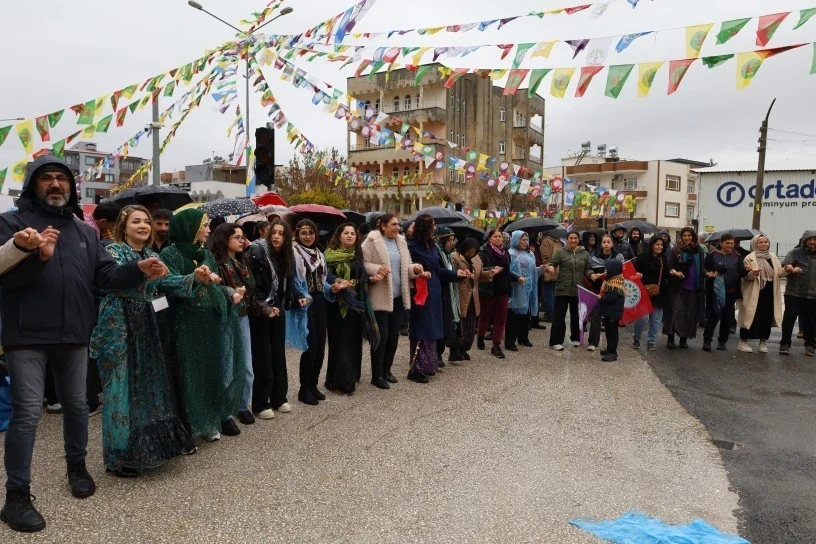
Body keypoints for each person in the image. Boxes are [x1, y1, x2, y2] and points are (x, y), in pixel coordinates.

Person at [0, 156, 166, 533]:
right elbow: (4, 276)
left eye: (62, 178)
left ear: (72, 187)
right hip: (26, 335)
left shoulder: (85, 232)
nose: (55, 184)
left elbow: (105, 275)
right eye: (46, 178)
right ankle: (16, 497)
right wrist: (30, 253)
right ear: (32, 185)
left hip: (74, 333)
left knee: (77, 405)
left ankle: (76, 468)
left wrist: (136, 269)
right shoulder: (11, 224)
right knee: (27, 412)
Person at [90, 205, 208, 478]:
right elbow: (111, 281)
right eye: (136, 222)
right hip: (119, 325)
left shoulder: (153, 254)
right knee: (121, 389)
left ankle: (147, 449)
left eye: (147, 222)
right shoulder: (113, 251)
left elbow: (169, 283)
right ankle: (118, 458)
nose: (143, 226)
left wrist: (194, 278)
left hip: (147, 326)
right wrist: (140, 270)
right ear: (124, 225)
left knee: (148, 387)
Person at [160, 209, 245, 440]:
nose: (208, 229)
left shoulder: (205, 254)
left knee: (211, 369)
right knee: (189, 372)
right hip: (185, 322)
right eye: (204, 225)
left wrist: (229, 292)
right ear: (190, 228)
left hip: (210, 320)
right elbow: (168, 283)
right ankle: (189, 423)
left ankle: (208, 420)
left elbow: (214, 285)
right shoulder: (170, 253)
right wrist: (195, 279)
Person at [247, 219, 309, 415]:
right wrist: (265, 308)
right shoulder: (257, 252)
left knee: (278, 356)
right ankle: (260, 403)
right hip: (261, 311)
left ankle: (278, 398)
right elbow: (253, 286)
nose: (276, 236)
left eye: (281, 234)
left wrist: (298, 296)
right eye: (273, 232)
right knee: (263, 357)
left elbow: (289, 281)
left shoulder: (285, 255)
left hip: (278, 308)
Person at [361, 213, 421, 388]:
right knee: (382, 337)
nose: (397, 227)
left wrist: (415, 268)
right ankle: (377, 375)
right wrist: (378, 268)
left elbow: (406, 266)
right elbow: (362, 263)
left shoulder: (401, 241)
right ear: (382, 225)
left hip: (398, 296)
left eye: (398, 225)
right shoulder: (371, 241)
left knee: (394, 337)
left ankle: (387, 370)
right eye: (393, 224)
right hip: (380, 296)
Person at [211, 223, 261, 425]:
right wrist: (232, 294)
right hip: (224, 318)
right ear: (225, 239)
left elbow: (250, 292)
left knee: (247, 367)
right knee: (228, 367)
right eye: (237, 237)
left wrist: (263, 308)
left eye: (243, 237)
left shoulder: (242, 260)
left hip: (243, 317)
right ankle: (224, 413)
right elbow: (214, 292)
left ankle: (242, 406)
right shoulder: (216, 262)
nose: (242, 241)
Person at [407, 215, 467, 379]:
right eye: (431, 225)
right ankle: (415, 368)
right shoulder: (411, 246)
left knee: (432, 327)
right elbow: (408, 269)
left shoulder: (432, 246)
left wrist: (456, 274)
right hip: (420, 289)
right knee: (421, 327)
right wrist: (418, 272)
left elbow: (439, 270)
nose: (434, 228)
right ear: (424, 227)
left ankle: (428, 365)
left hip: (434, 289)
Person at [324, 223, 378, 393]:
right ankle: (339, 382)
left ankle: (351, 376)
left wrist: (371, 279)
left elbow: (360, 277)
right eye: (345, 233)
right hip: (337, 304)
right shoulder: (329, 255)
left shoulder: (357, 255)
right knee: (339, 342)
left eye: (352, 233)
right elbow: (325, 274)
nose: (349, 236)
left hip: (356, 304)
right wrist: (339, 281)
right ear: (338, 236)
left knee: (353, 341)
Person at [292, 220, 330, 404]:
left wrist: (333, 287)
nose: (308, 236)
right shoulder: (295, 253)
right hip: (306, 302)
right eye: (304, 233)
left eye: (311, 232)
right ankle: (304, 389)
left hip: (320, 301)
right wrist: (301, 294)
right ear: (297, 234)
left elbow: (324, 282)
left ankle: (313, 385)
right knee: (310, 346)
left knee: (321, 347)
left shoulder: (320, 254)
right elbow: (292, 279)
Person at [736, 234, 783, 353]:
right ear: (755, 244)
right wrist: (754, 274)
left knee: (766, 317)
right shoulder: (749, 258)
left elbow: (779, 273)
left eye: (765, 242)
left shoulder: (773, 256)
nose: (763, 244)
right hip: (754, 291)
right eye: (760, 242)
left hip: (769, 292)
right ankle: (743, 341)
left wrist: (787, 270)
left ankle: (763, 342)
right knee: (750, 316)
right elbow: (745, 276)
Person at [702, 233, 748, 351]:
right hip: (716, 291)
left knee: (727, 317)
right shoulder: (712, 255)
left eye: (732, 243)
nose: (730, 245)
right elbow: (704, 268)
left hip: (731, 291)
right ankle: (707, 340)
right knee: (714, 315)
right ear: (721, 243)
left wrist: (748, 270)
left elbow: (742, 272)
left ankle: (722, 341)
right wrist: (708, 273)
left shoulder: (737, 256)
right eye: (727, 243)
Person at [546, 232, 591, 351]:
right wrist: (550, 267)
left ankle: (576, 338)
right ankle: (556, 341)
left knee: (576, 315)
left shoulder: (584, 253)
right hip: (563, 288)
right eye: (571, 238)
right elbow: (552, 263)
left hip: (578, 289)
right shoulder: (561, 252)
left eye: (575, 238)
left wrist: (592, 274)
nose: (573, 240)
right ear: (567, 240)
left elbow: (588, 269)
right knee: (559, 316)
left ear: (578, 239)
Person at [477, 228, 517, 359]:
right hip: (488, 288)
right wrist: (492, 269)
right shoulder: (483, 251)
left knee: (501, 319)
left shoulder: (505, 252)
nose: (498, 239)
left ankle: (496, 346)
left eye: (500, 236)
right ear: (489, 238)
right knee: (485, 316)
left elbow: (507, 270)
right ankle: (481, 336)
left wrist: (516, 278)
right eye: (495, 236)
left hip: (503, 289)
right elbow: (479, 270)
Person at [450, 238, 492, 362]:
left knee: (471, 325)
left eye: (474, 251)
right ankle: (455, 350)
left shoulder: (477, 258)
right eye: (469, 251)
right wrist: (463, 274)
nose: (471, 254)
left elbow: (480, 275)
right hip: (461, 294)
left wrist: (489, 274)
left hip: (473, 296)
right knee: (460, 325)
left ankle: (464, 348)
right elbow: (452, 273)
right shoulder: (455, 257)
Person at [666, 227, 704, 350]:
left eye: (689, 235)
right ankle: (670, 337)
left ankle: (684, 338)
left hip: (694, 287)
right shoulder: (676, 250)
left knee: (689, 314)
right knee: (675, 313)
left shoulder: (699, 250)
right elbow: (669, 267)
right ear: (681, 237)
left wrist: (707, 273)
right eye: (684, 236)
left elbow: (702, 267)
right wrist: (676, 272)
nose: (687, 238)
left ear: (693, 236)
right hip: (678, 287)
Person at [779, 230, 816, 356]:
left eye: (814, 239)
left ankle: (810, 345)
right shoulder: (795, 253)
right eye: (809, 239)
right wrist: (790, 268)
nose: (812, 242)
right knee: (789, 319)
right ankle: (784, 344)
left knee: (811, 321)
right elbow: (784, 265)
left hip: (812, 294)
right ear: (804, 240)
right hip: (793, 293)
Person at [586, 235, 625, 351]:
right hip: (599, 290)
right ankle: (593, 342)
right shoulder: (595, 257)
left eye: (608, 242)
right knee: (596, 316)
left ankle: (610, 348)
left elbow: (623, 271)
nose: (606, 244)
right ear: (601, 244)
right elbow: (590, 270)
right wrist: (594, 275)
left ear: (612, 244)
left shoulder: (619, 257)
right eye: (604, 242)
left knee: (610, 322)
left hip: (613, 291)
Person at [633, 237, 669, 351]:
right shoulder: (642, 257)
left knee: (656, 320)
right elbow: (633, 272)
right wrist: (637, 275)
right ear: (652, 245)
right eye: (657, 244)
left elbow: (666, 275)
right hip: (643, 292)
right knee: (643, 318)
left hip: (659, 293)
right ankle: (636, 338)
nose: (660, 247)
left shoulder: (663, 259)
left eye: (661, 245)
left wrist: (661, 286)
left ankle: (651, 341)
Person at [506, 231, 539, 351]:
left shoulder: (530, 255)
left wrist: (542, 269)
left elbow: (533, 270)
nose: (526, 242)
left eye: (526, 240)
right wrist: (516, 279)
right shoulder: (510, 254)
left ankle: (523, 338)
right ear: (515, 240)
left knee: (525, 315)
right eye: (523, 240)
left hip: (527, 289)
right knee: (513, 316)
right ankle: (510, 342)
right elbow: (507, 272)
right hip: (515, 289)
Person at [435, 226, 460, 365]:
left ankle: (442, 353)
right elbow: (441, 272)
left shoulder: (449, 256)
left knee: (448, 324)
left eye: (452, 239)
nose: (452, 242)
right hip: (441, 293)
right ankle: (437, 355)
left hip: (450, 293)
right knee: (441, 324)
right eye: (449, 240)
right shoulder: (438, 254)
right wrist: (456, 275)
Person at [597, 260, 626, 362]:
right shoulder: (612, 280)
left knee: (612, 333)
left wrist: (601, 298)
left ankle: (612, 352)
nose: (606, 271)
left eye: (607, 269)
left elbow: (612, 298)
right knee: (609, 332)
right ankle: (609, 349)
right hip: (610, 312)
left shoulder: (616, 283)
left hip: (613, 313)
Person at [538, 233, 561, 323]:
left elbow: (544, 257)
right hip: (556, 270)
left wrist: (544, 267)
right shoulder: (558, 241)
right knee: (552, 293)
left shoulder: (546, 241)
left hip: (548, 269)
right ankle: (553, 313)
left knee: (547, 294)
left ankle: (550, 314)